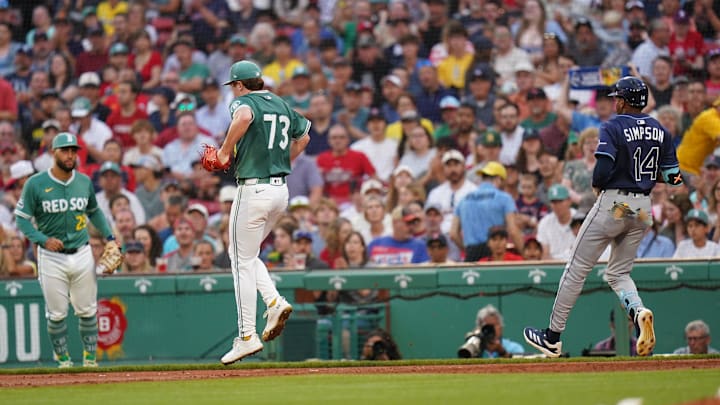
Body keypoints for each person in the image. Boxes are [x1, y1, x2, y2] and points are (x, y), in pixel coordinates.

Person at [524, 77, 683, 358]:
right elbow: (674, 177)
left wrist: (600, 186)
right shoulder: (661, 129)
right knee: (618, 272)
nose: (614, 101)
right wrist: (641, 176)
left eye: (616, 97)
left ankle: (552, 336)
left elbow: (601, 169)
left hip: (616, 203)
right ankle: (637, 311)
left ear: (623, 100)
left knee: (577, 267)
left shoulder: (613, 125)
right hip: (643, 208)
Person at [211, 61, 311, 365]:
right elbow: (304, 136)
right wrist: (283, 162)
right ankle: (273, 301)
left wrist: (225, 150)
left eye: (233, 87)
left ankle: (246, 336)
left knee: (239, 260)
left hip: (253, 190)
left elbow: (242, 116)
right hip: (280, 191)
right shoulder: (280, 102)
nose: (233, 93)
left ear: (239, 85)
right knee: (246, 255)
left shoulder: (243, 102)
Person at [14, 132, 116, 368]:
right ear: (53, 152)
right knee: (57, 314)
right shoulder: (35, 183)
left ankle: (90, 361)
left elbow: (94, 211)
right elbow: (21, 219)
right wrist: (41, 239)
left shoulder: (84, 181)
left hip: (81, 252)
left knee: (88, 310)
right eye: (65, 150)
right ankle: (64, 362)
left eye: (73, 150)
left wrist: (110, 237)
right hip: (51, 257)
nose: (70, 155)